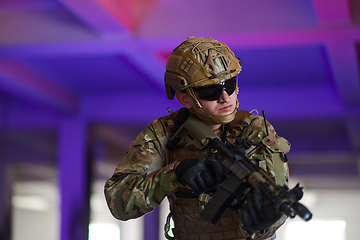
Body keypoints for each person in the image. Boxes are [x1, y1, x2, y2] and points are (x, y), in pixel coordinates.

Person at [104, 37, 291, 240]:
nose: (225, 97)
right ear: (186, 99)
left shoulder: (255, 130)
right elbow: (119, 201)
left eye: (229, 84)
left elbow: (272, 213)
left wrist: (261, 217)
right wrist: (176, 174)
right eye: (211, 91)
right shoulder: (165, 132)